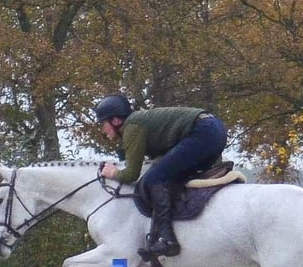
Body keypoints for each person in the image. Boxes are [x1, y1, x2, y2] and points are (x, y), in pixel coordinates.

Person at [95, 93, 228, 257]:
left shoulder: (132, 127)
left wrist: (113, 173)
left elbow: (131, 174)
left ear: (115, 121)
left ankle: (167, 239)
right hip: (216, 130)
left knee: (154, 179)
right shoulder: (138, 124)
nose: (103, 130)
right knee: (169, 176)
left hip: (203, 132)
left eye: (103, 123)